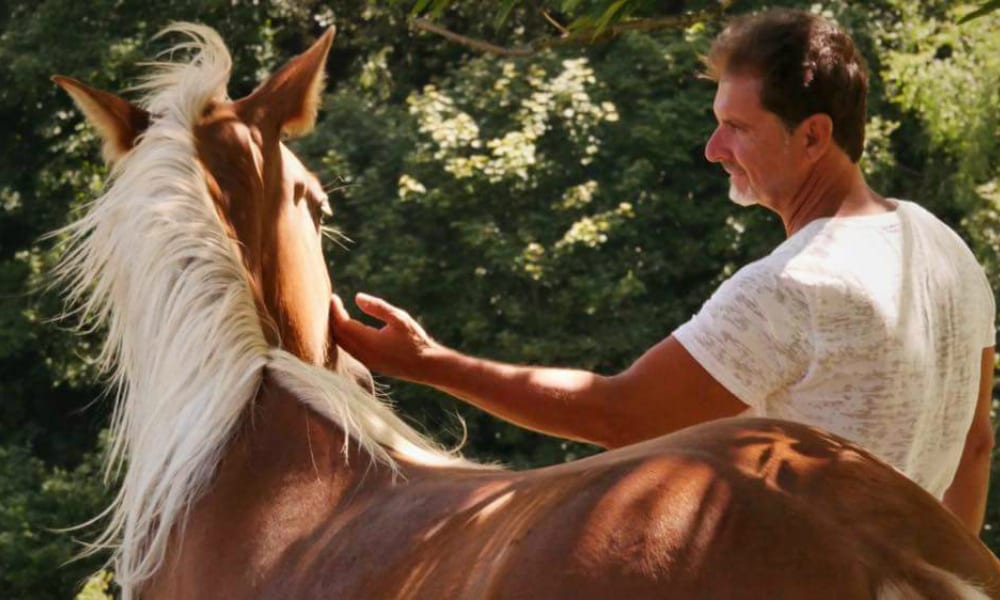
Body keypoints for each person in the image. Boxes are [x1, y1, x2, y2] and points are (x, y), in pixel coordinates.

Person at [330, 9, 996, 534]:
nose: (713, 151)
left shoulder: (797, 287)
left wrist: (428, 361)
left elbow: (621, 414)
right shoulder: (945, 251)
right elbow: (974, 445)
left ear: (815, 136)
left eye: (737, 127)